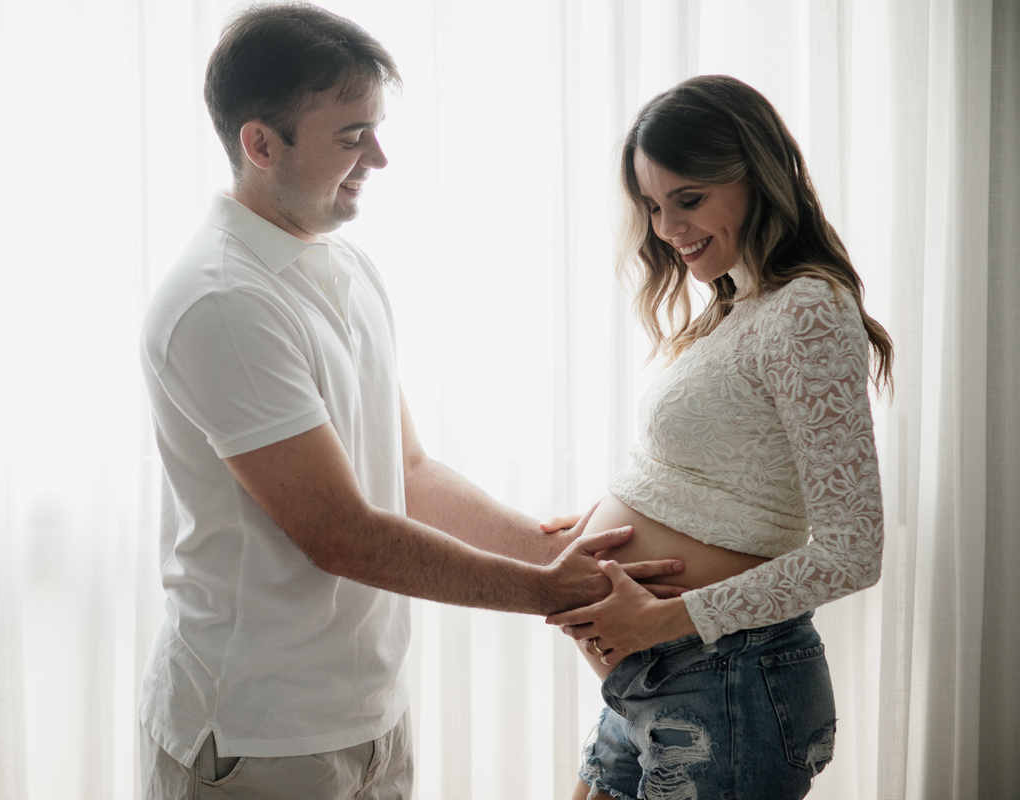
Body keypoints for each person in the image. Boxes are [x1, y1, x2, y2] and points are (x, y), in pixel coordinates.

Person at [136, 4, 684, 798]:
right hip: (257, 734)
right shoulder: (222, 301)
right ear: (260, 144)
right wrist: (543, 592)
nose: (379, 157)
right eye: (352, 136)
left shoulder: (346, 267)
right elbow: (341, 535)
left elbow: (410, 472)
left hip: (370, 716)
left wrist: (555, 554)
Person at [546, 75, 894, 800]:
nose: (667, 227)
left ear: (757, 176)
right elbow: (719, 478)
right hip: (661, 677)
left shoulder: (807, 310)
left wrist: (664, 617)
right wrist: (604, 525)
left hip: (726, 679)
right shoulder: (740, 308)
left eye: (689, 199)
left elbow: (853, 552)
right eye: (653, 206)